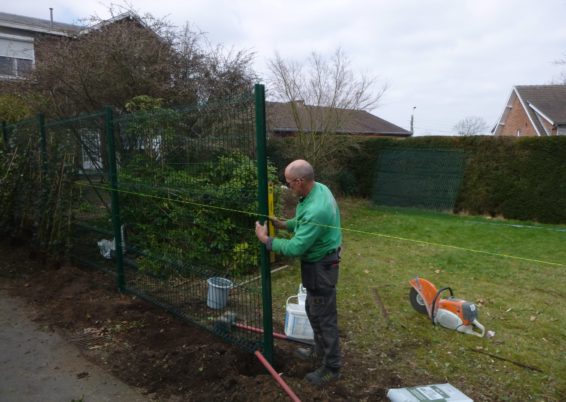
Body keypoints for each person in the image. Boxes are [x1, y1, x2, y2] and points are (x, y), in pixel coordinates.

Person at [255, 159, 342, 386]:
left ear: (301, 181)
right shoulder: (318, 189)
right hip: (319, 263)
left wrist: (267, 240)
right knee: (314, 310)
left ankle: (331, 368)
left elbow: (296, 247)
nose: (288, 187)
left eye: (289, 183)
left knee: (324, 318)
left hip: (321, 267)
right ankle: (319, 352)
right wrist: (286, 224)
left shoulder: (317, 209)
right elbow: (303, 221)